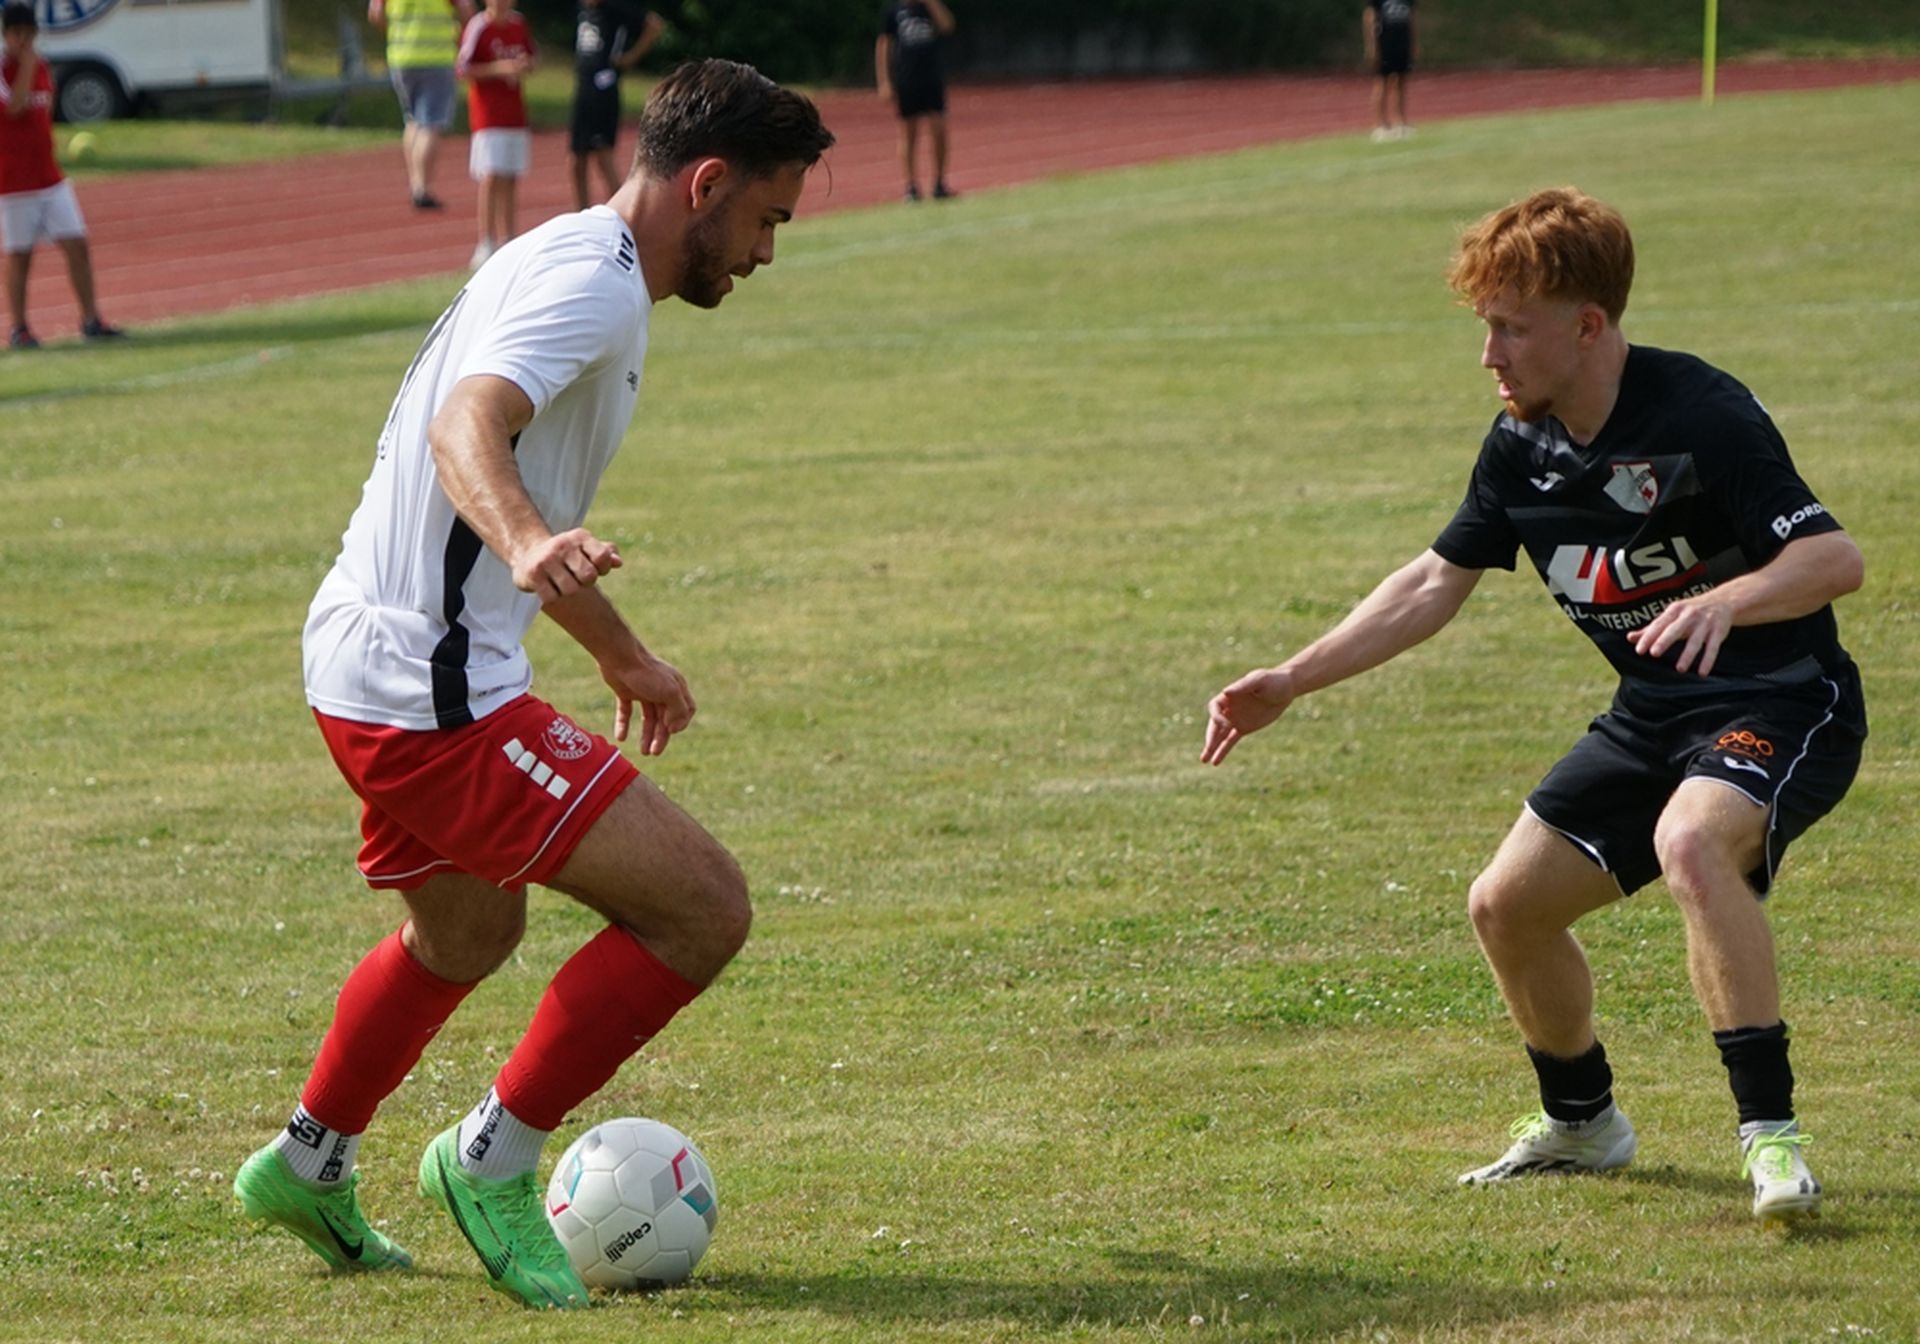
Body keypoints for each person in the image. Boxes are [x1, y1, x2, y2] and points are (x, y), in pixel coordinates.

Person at [233, 59, 834, 1310]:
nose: (768, 253)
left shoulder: (571, 252)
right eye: (767, 217)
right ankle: (491, 1159)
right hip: (427, 687)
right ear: (706, 184)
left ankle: (307, 1160)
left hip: (371, 654)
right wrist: (522, 545)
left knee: (466, 932)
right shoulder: (590, 285)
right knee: (703, 908)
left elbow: (519, 488)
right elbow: (467, 425)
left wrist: (617, 649)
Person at [1203, 187, 1865, 1224]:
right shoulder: (1522, 445)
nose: (1490, 355)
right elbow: (1434, 581)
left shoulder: (1699, 413)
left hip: (1781, 700)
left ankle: (1771, 1139)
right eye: (1486, 327)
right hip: (1654, 714)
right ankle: (1583, 1123)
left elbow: (1833, 558)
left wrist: (1727, 600)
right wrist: (1291, 678)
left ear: (1587, 326)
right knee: (1505, 906)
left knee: (1692, 843)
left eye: (1511, 328)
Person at [0, 3, 121, 349]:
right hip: (15, 182)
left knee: (77, 244)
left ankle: (91, 320)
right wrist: (26, 64)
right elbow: (15, 106)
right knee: (20, 255)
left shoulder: (42, 66)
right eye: (16, 34)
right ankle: (19, 328)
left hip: (50, 177)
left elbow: (45, 108)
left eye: (28, 33)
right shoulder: (7, 69)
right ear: (6, 35)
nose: (23, 40)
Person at [370, 0, 475, 209]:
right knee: (431, 123)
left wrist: (398, 32)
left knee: (412, 119)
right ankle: (422, 187)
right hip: (436, 57)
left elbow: (376, 14)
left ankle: (414, 182)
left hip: (401, 57)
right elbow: (467, 11)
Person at [457, 0, 536, 269]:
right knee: (491, 176)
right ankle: (486, 240)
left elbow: (532, 56)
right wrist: (499, 68)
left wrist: (525, 64)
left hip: (515, 113)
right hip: (488, 115)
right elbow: (463, 68)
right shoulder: (479, 26)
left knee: (511, 176)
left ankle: (509, 238)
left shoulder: (518, 24)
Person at [568, 0, 663, 211]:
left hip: (603, 89)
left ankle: (624, 213)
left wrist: (630, 57)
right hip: (583, 89)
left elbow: (654, 25)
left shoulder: (615, 8)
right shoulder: (583, 11)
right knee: (576, 159)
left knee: (603, 155)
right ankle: (581, 213)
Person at [876, 0, 956, 202]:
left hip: (931, 78)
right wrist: (884, 81)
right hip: (906, 79)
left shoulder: (928, 8)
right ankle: (911, 186)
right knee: (908, 133)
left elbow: (947, 25)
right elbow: (884, 45)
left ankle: (939, 183)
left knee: (939, 128)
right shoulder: (894, 11)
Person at [1362, 0, 1415, 142]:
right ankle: (1380, 125)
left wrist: (1413, 43)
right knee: (1382, 82)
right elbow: (1369, 16)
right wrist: (1372, 46)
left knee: (1401, 81)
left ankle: (1400, 122)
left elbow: (1411, 18)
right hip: (1384, 41)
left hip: (1402, 41)